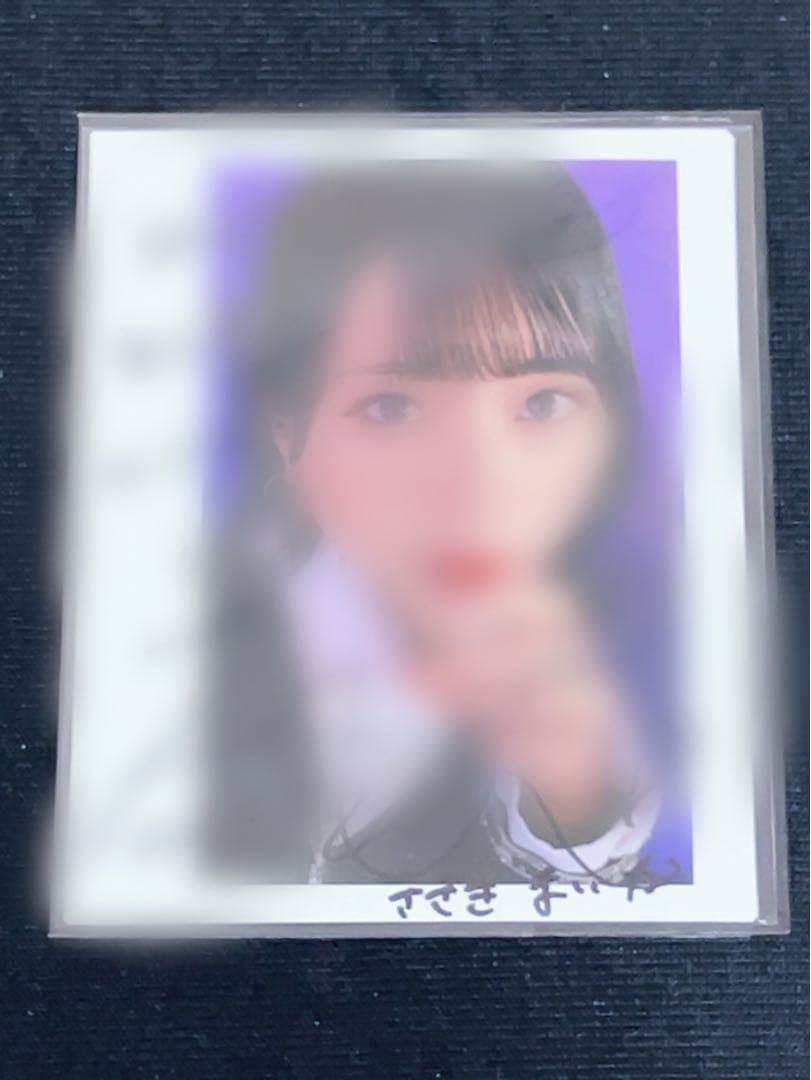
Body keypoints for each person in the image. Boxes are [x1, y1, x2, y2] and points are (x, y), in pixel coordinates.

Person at [214, 161, 689, 887]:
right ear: (284, 429)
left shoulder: (646, 629)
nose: (479, 483)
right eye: (393, 408)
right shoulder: (185, 647)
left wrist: (574, 794)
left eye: (542, 403)